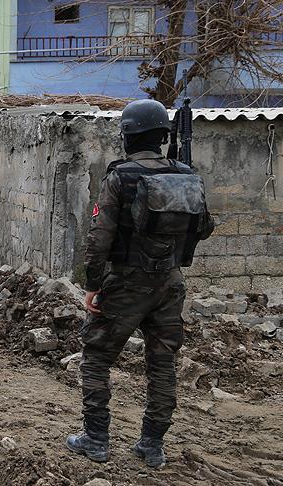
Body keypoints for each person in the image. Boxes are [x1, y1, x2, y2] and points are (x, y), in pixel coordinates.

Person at [66, 99, 215, 468]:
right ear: (163, 136)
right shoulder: (186, 175)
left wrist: (92, 284)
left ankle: (96, 439)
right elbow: (206, 227)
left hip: (125, 283)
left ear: (128, 135)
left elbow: (100, 237)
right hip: (169, 283)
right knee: (162, 364)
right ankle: (152, 445)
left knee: (97, 358)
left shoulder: (120, 176)